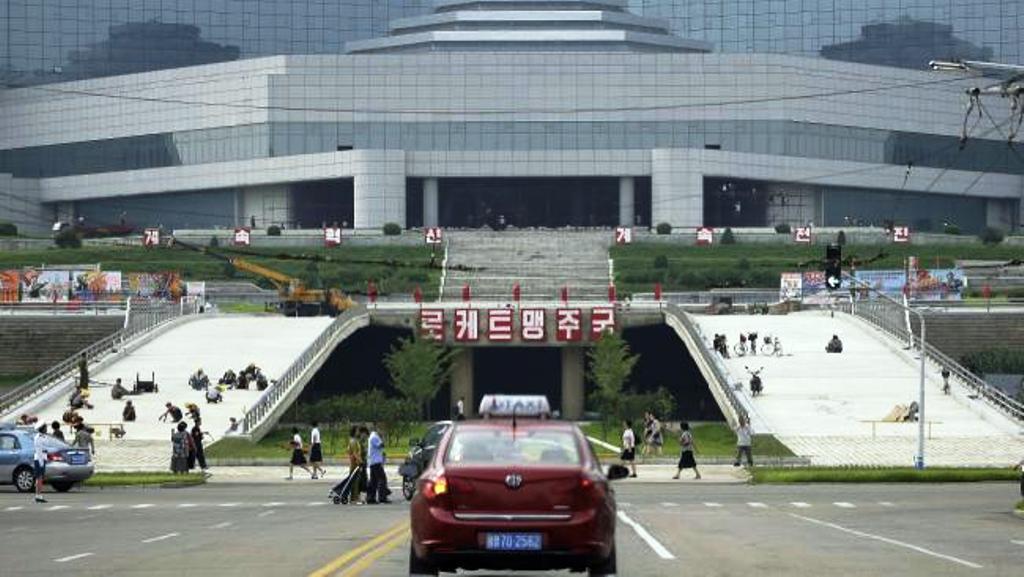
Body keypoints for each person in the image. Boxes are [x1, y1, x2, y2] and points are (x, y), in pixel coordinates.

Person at [366, 425, 390, 504]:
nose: (383, 432)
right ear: (377, 429)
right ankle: (382, 497)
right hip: (375, 462)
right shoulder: (374, 437)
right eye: (381, 430)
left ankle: (370, 498)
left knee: (373, 481)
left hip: (374, 461)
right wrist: (384, 438)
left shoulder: (374, 436)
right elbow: (381, 445)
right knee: (382, 479)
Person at [346, 426, 365, 505]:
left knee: (355, 481)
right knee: (355, 482)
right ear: (354, 432)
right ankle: (354, 499)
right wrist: (360, 461)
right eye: (357, 431)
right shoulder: (353, 441)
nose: (358, 432)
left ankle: (354, 498)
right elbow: (355, 453)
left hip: (354, 463)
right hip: (355, 464)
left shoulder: (354, 441)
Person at [33, 426, 48, 503]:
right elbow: (39, 451)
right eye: (45, 428)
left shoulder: (43, 436)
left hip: (42, 457)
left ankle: (38, 495)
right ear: (42, 429)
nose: (47, 429)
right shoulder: (38, 437)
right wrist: (41, 462)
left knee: (39, 478)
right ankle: (38, 495)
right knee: (39, 478)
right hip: (39, 458)